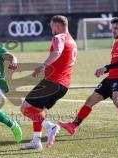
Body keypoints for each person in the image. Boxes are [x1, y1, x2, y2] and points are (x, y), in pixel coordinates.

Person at [58, 17, 118, 135]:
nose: (113, 30)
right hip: (110, 79)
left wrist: (105, 68)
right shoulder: (116, 43)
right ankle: (73, 125)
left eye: (116, 28)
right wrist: (105, 70)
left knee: (117, 100)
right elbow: (116, 62)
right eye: (112, 28)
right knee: (90, 100)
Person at [20, 15, 77, 150]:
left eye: (52, 26)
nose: (51, 30)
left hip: (52, 83)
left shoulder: (59, 37)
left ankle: (51, 127)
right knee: (38, 111)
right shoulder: (73, 41)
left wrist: (43, 65)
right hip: (63, 86)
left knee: (25, 108)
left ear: (57, 26)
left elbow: (57, 50)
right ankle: (36, 140)